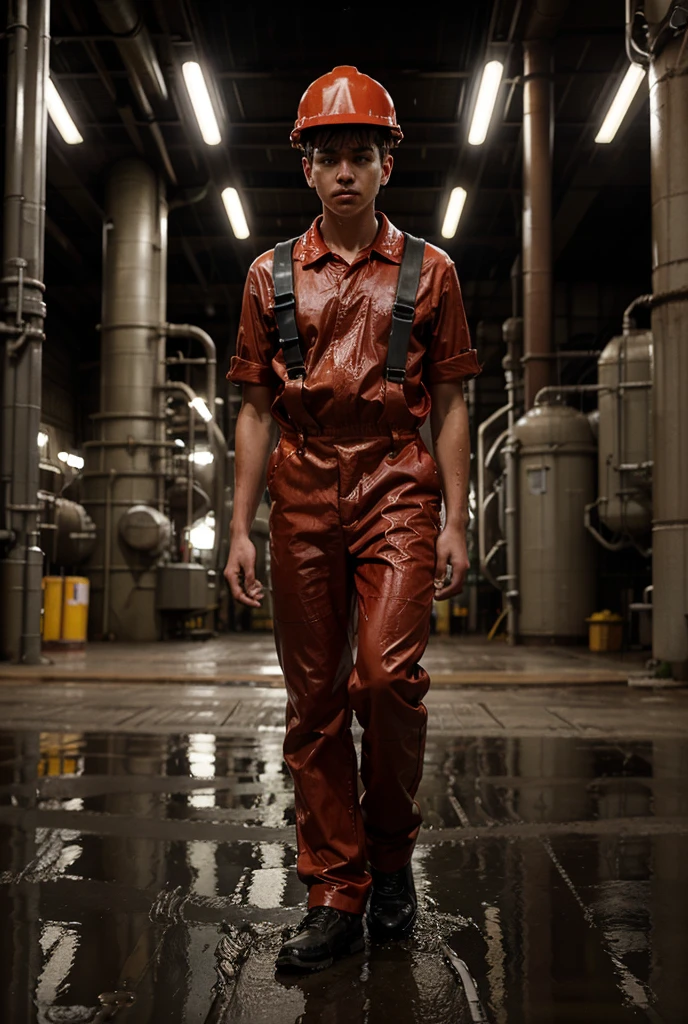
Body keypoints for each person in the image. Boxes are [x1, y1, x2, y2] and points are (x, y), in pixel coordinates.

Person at [224, 66, 480, 972]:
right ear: (305, 168)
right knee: (315, 700)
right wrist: (240, 526)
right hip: (300, 486)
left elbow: (450, 401)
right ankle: (333, 890)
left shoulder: (430, 270)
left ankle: (391, 858)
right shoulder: (268, 276)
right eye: (327, 156)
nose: (343, 171)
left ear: (385, 166)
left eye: (360, 155)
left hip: (397, 483)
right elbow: (254, 409)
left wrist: (452, 518)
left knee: (386, 678)